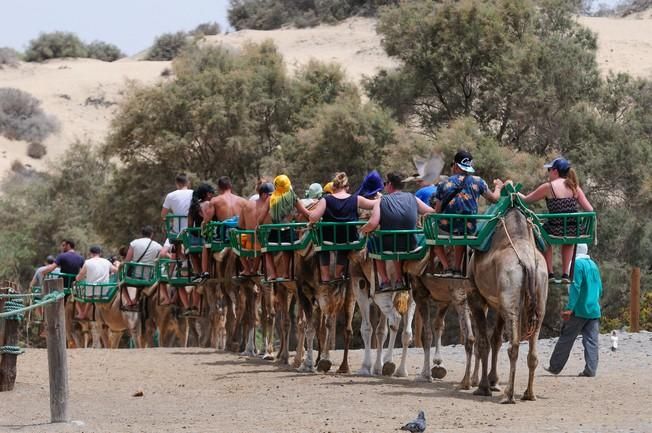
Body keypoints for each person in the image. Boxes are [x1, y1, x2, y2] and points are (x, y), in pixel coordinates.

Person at [519, 157, 593, 284]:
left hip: (554, 228)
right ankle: (565, 273)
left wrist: (515, 193)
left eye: (549, 170)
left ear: (555, 171)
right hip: (573, 228)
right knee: (569, 239)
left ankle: (550, 273)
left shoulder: (548, 187)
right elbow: (590, 209)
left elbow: (526, 200)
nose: (548, 173)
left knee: (543, 236)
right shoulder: (574, 187)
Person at [432, 150, 504, 277]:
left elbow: (437, 210)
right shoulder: (478, 181)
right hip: (469, 227)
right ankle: (457, 269)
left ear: (455, 165)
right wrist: (498, 187)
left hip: (447, 227)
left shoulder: (443, 183)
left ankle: (447, 268)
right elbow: (494, 199)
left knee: (433, 237)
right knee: (461, 233)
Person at [360, 172, 435, 291]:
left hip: (389, 244)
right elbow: (431, 212)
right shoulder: (413, 198)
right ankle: (400, 279)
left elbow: (373, 223)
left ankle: (385, 281)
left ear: (389, 184)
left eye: (385, 183)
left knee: (373, 243)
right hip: (411, 244)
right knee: (396, 243)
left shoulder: (382, 200)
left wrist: (363, 230)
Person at [545, 244, 602, 377]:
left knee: (566, 338)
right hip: (594, 309)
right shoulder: (593, 265)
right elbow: (600, 287)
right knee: (592, 341)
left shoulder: (577, 265)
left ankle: (554, 367)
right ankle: (591, 370)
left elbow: (575, 287)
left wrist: (570, 308)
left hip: (579, 309)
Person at [309, 172, 376, 282]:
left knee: (322, 248)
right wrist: (381, 198)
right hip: (349, 238)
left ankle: (325, 276)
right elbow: (374, 204)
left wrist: (312, 211)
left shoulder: (325, 200)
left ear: (333, 186)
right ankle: (338, 273)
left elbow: (313, 218)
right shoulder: (356, 199)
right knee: (344, 246)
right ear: (347, 187)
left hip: (328, 239)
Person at [199, 176, 248, 280]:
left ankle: (205, 272)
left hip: (224, 236)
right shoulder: (243, 201)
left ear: (219, 188)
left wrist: (203, 225)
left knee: (205, 245)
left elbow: (207, 220)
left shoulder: (215, 200)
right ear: (231, 186)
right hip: (240, 234)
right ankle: (252, 268)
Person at [264, 174, 310, 280]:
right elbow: (306, 213)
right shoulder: (293, 197)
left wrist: (258, 225)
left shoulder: (270, 198)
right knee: (287, 248)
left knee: (265, 250)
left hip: (275, 233)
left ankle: (273, 273)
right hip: (289, 232)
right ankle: (285, 273)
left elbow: (262, 216)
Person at [238, 182, 274, 276]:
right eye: (271, 195)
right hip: (265, 241)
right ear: (264, 195)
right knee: (259, 242)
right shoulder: (271, 206)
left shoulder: (247, 205)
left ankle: (247, 269)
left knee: (239, 242)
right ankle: (254, 269)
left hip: (249, 242)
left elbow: (240, 224)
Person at [75, 246, 120, 320]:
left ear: (90, 253)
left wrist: (77, 278)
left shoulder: (87, 262)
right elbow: (116, 271)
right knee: (93, 293)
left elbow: (79, 277)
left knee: (75, 294)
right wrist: (118, 264)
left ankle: (81, 313)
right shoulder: (106, 262)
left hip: (91, 292)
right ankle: (85, 313)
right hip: (104, 291)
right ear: (100, 253)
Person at [125, 226, 164, 303]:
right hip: (149, 276)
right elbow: (161, 257)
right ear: (152, 234)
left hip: (135, 275)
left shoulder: (134, 243)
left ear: (142, 234)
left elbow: (127, 260)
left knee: (121, 283)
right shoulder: (158, 246)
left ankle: (130, 301)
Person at [161, 173, 193, 240]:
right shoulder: (194, 193)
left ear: (176, 183)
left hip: (177, 230)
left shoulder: (170, 195)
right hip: (193, 229)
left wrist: (170, 221)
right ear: (187, 182)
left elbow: (163, 215)